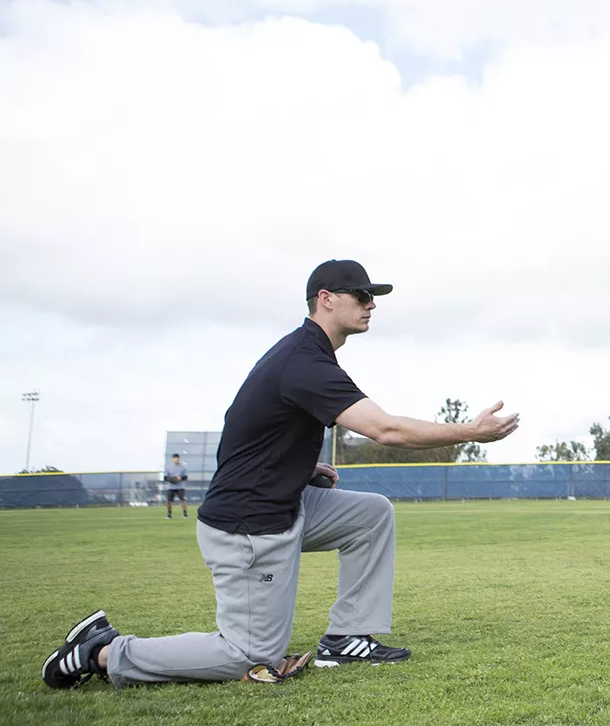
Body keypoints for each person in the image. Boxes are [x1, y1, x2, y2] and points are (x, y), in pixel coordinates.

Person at [42, 259, 521, 689]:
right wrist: (471, 432)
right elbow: (384, 429)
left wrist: (298, 465)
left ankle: (347, 636)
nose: (371, 304)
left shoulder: (306, 355)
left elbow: (242, 422)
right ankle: (102, 652)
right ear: (326, 300)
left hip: (283, 503)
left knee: (371, 515)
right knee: (248, 656)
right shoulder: (303, 360)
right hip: (249, 525)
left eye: (373, 297)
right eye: (362, 295)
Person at [162, 453, 191, 519]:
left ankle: (185, 514)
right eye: (175, 458)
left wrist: (180, 478)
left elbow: (186, 477)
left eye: (177, 458)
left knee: (182, 500)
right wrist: (171, 479)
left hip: (180, 487)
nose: (176, 459)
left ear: (179, 459)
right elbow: (165, 477)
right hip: (171, 487)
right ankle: (169, 514)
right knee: (169, 501)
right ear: (173, 459)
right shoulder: (169, 468)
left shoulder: (183, 467)